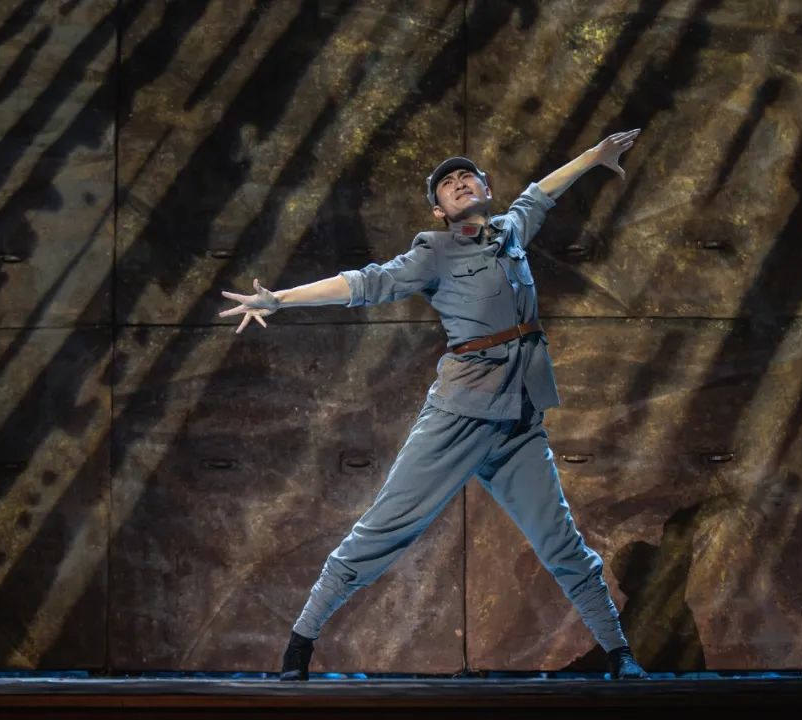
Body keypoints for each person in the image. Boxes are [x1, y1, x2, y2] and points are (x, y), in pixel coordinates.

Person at [218, 129, 647, 681]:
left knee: (561, 542)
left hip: (518, 421)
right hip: (458, 417)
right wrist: (279, 299)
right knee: (385, 528)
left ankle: (619, 653)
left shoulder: (511, 232)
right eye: (448, 183)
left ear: (486, 188)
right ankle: (300, 643)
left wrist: (593, 156)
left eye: (468, 176)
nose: (460, 182)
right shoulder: (434, 252)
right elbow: (366, 283)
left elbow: (540, 194)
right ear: (439, 210)